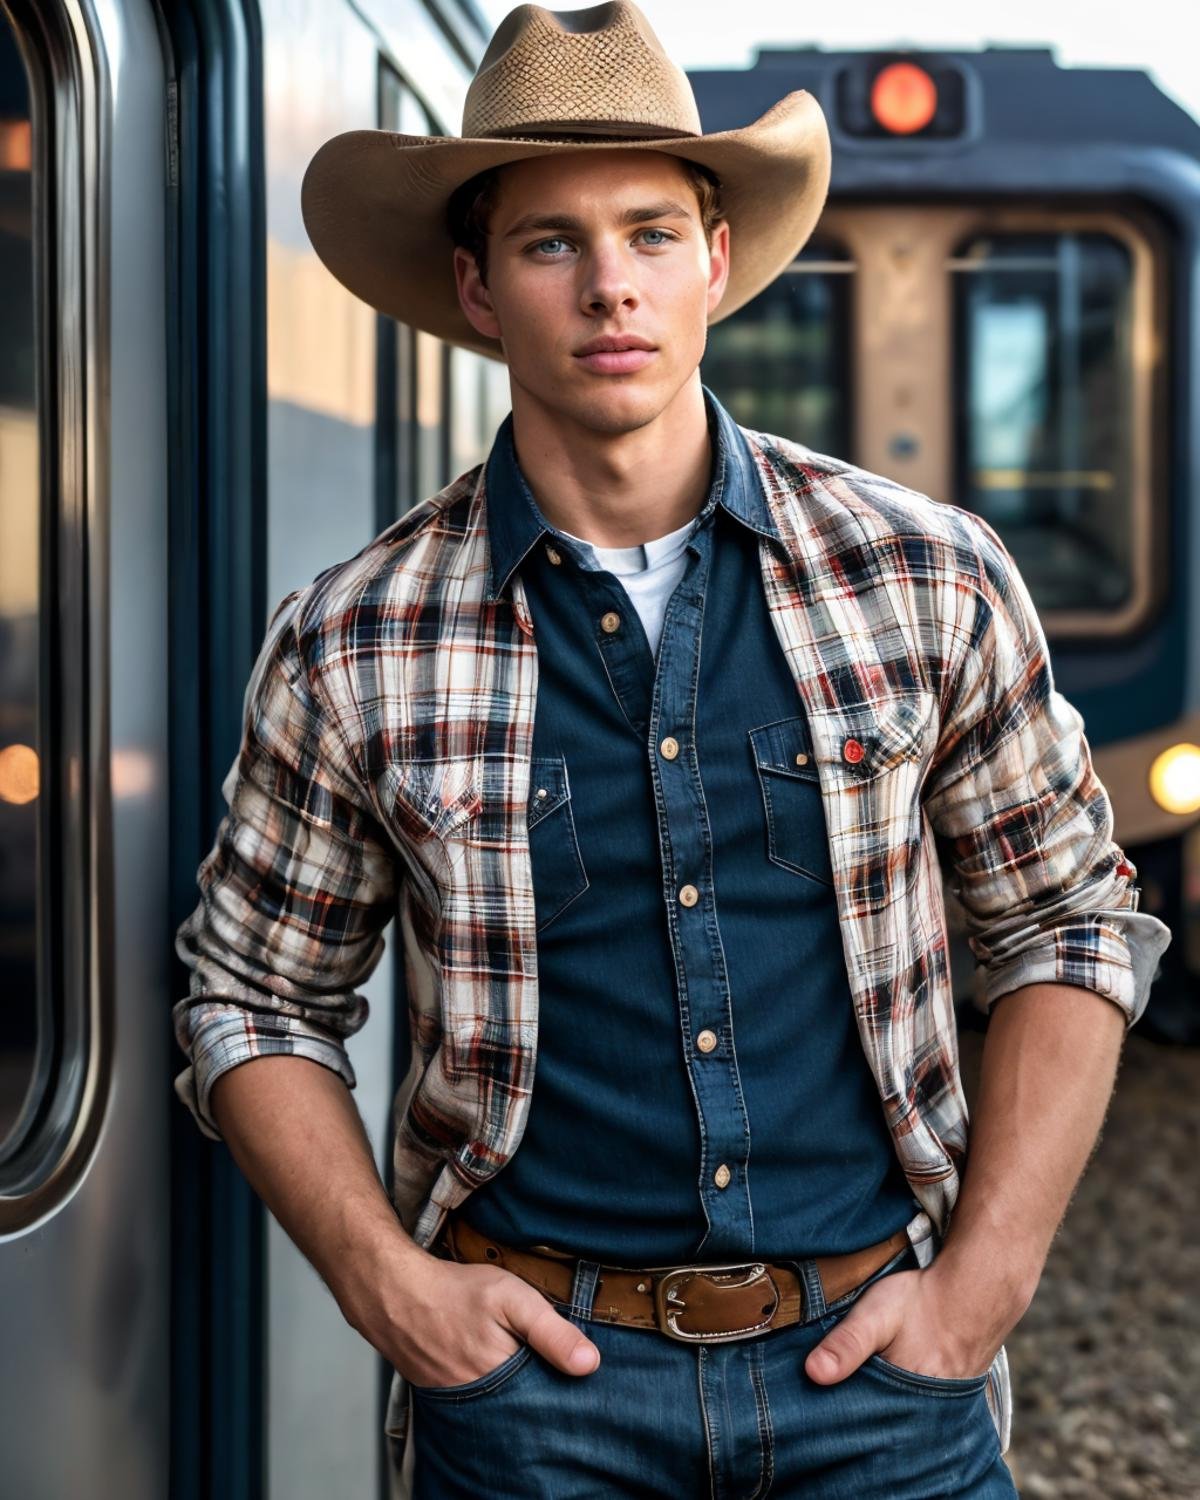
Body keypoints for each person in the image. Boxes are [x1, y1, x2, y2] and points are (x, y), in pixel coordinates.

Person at [172, 3, 1173, 1496]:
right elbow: (250, 995)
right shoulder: (353, 639)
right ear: (479, 286)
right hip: (533, 1406)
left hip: (880, 1384)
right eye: (551, 243)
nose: (609, 288)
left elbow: (1068, 924)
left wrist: (986, 1286)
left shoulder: (929, 576)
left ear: (717, 262)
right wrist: (392, 1290)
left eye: (649, 233)